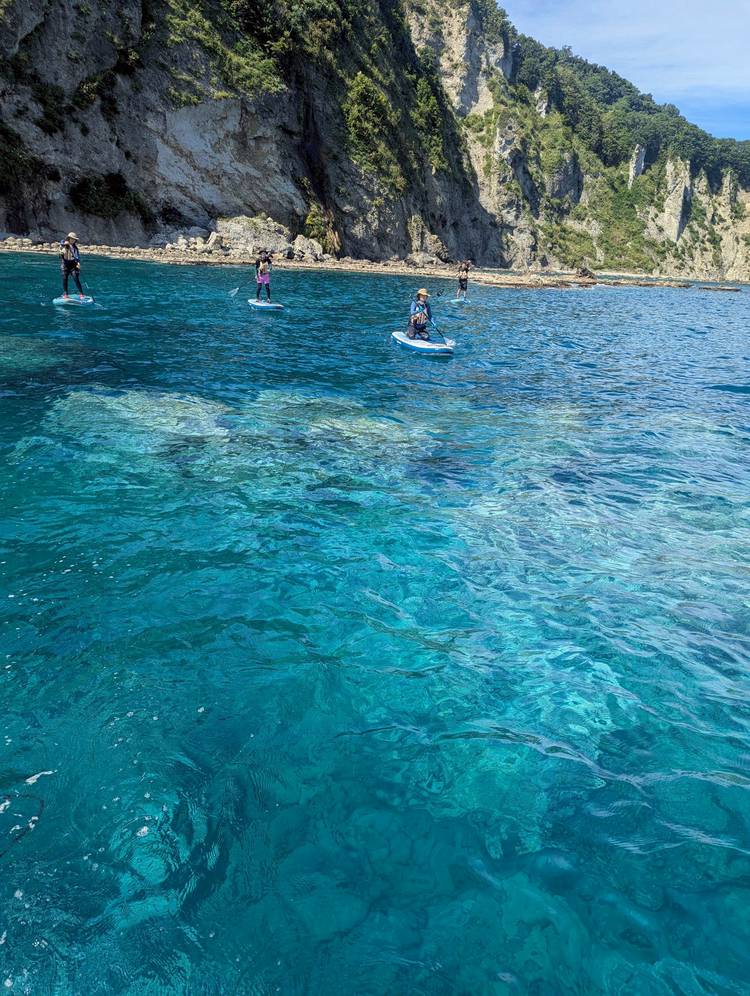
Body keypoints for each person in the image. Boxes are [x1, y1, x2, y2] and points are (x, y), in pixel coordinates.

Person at [59, 232, 85, 300]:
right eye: (72, 239)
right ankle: (66, 294)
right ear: (69, 238)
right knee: (65, 279)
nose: (73, 240)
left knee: (76, 278)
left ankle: (81, 294)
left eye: (74, 239)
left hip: (73, 264)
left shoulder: (75, 248)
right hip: (65, 265)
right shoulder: (64, 244)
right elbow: (61, 243)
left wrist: (78, 263)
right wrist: (64, 244)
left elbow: (77, 257)